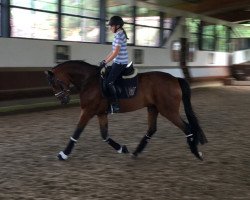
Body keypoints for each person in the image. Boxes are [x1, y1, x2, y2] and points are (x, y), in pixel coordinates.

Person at [100, 16, 129, 113]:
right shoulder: (118, 34)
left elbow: (115, 53)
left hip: (120, 62)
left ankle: (115, 104)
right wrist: (104, 60)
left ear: (117, 26)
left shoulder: (119, 36)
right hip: (118, 61)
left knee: (109, 82)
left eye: (111, 26)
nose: (110, 28)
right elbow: (112, 52)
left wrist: (106, 62)